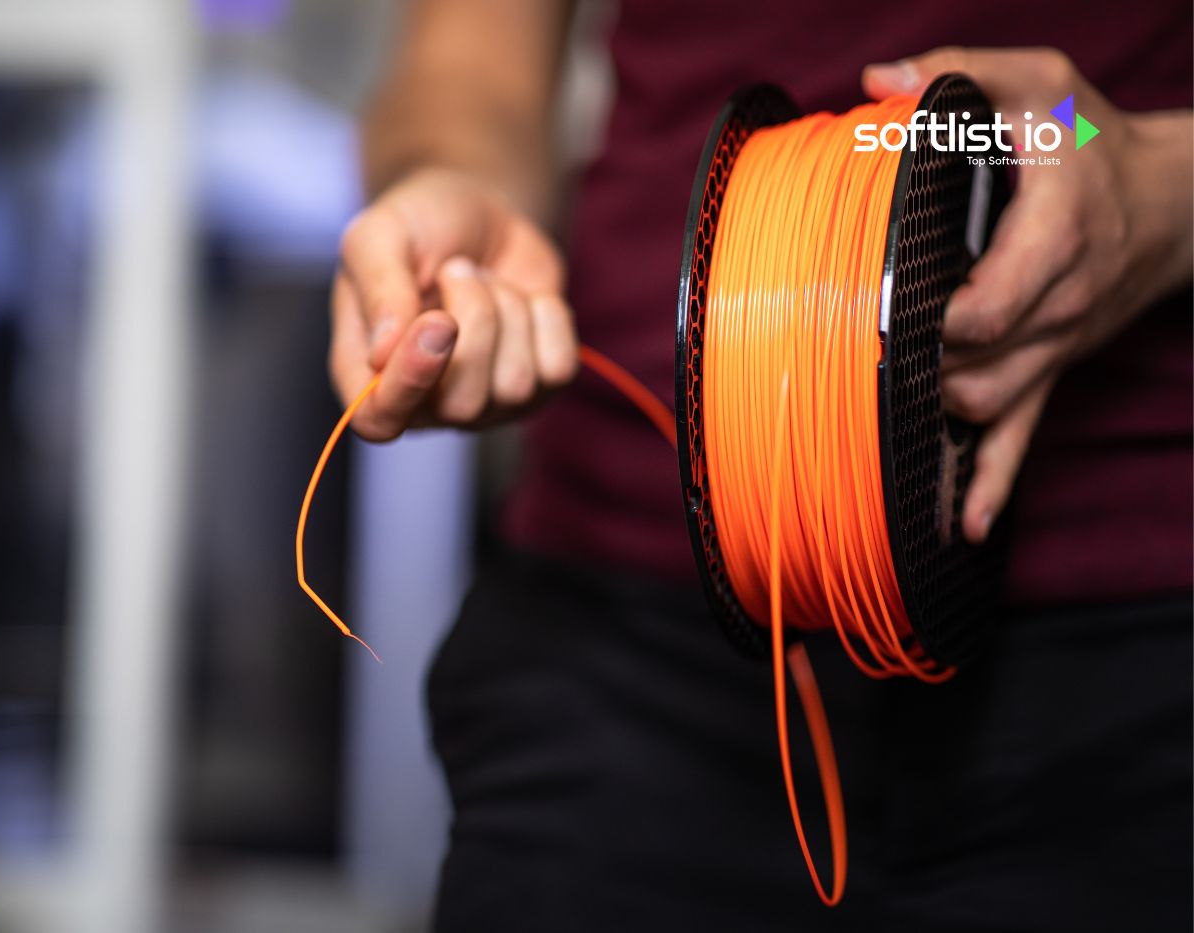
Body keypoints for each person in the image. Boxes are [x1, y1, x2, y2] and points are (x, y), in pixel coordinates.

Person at [329, 2, 1193, 930]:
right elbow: (475, 57)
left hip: (1140, 665)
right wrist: (457, 187)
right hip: (622, 650)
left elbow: (1078, 124)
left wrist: (1160, 180)